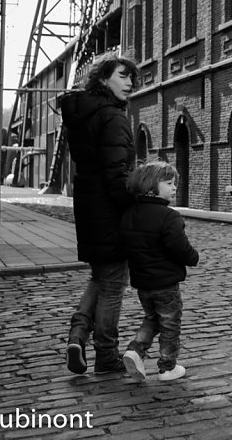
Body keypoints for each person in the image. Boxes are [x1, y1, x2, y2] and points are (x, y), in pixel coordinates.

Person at [58, 55, 139, 374]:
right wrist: (134, 208)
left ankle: (77, 337)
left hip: (89, 206)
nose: (130, 83)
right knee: (112, 284)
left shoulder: (82, 112)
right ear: (104, 79)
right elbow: (116, 174)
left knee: (100, 277)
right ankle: (106, 354)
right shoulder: (112, 118)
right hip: (109, 209)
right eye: (123, 76)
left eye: (132, 77)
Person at [120, 160, 200, 382]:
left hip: (143, 282)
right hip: (165, 284)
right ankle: (167, 367)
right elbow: (179, 247)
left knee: (152, 319)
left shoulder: (129, 214)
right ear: (151, 186)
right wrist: (194, 257)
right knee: (170, 324)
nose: (175, 188)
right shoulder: (169, 216)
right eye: (169, 183)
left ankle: (135, 351)